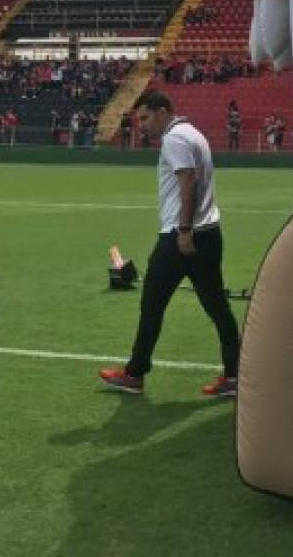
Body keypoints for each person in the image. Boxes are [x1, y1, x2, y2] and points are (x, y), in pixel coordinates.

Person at [100, 90, 240, 398]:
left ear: (163, 111)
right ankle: (234, 375)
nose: (142, 125)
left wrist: (185, 230)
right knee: (218, 308)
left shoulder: (174, 139)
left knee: (152, 304)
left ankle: (135, 374)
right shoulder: (194, 133)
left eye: (145, 117)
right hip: (209, 233)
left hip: (181, 237)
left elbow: (188, 180)